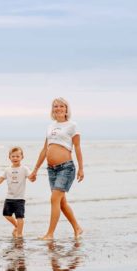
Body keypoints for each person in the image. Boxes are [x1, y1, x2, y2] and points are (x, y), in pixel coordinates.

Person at [29, 97, 84, 239]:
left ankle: (50, 234)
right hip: (51, 169)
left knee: (54, 199)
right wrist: (35, 170)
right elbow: (44, 149)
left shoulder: (72, 125)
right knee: (61, 202)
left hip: (66, 168)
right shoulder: (50, 126)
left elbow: (77, 148)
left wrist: (81, 168)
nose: (58, 108)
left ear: (66, 109)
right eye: (55, 106)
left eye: (61, 106)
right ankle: (77, 228)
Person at [0, 146, 33, 237]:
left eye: (17, 156)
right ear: (9, 157)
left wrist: (33, 177)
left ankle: (19, 234)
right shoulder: (7, 170)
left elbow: (31, 178)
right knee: (6, 215)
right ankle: (17, 226)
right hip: (9, 197)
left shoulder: (24, 169)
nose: (15, 158)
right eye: (13, 156)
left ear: (22, 157)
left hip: (20, 198)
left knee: (20, 217)